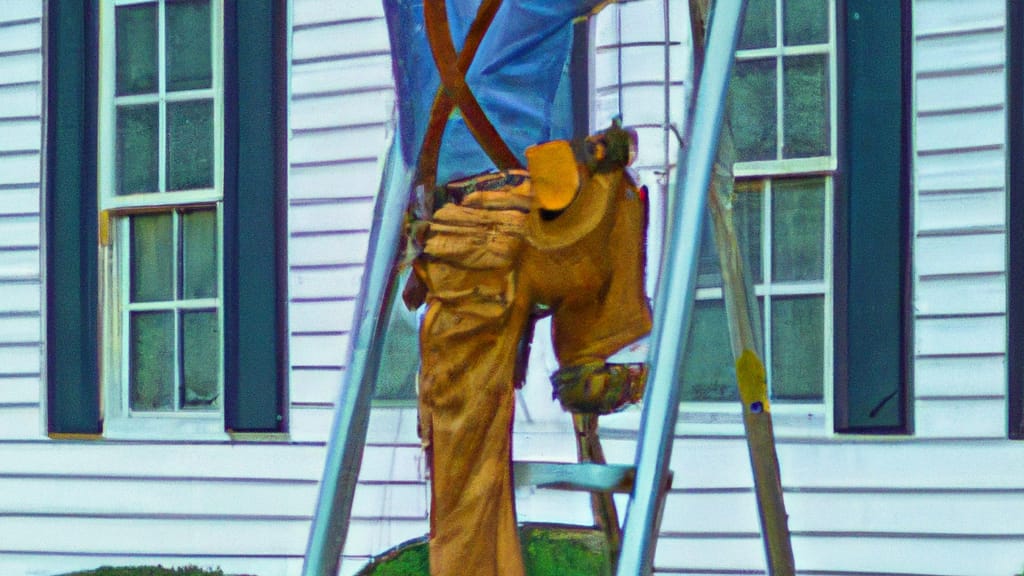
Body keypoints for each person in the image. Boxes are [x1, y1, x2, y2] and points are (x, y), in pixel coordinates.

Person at [383, 3, 650, 575]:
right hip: (526, 236)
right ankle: (586, 354)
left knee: (464, 473)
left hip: (451, 246)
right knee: (617, 188)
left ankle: (584, 357)